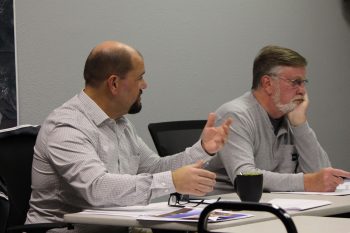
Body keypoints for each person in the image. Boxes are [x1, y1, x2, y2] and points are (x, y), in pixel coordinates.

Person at [25, 41, 232, 233]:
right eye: (140, 77)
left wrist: (203, 149)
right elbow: (97, 190)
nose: (145, 85)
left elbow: (153, 168)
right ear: (114, 83)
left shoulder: (119, 122)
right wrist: (171, 181)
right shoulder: (67, 127)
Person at [206, 45, 350, 193]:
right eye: (295, 82)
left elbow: (320, 177)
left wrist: (300, 125)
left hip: (276, 205)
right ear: (267, 84)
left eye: (303, 82)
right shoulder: (235, 115)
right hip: (227, 207)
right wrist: (306, 181)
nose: (302, 90)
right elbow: (244, 176)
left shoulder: (289, 115)